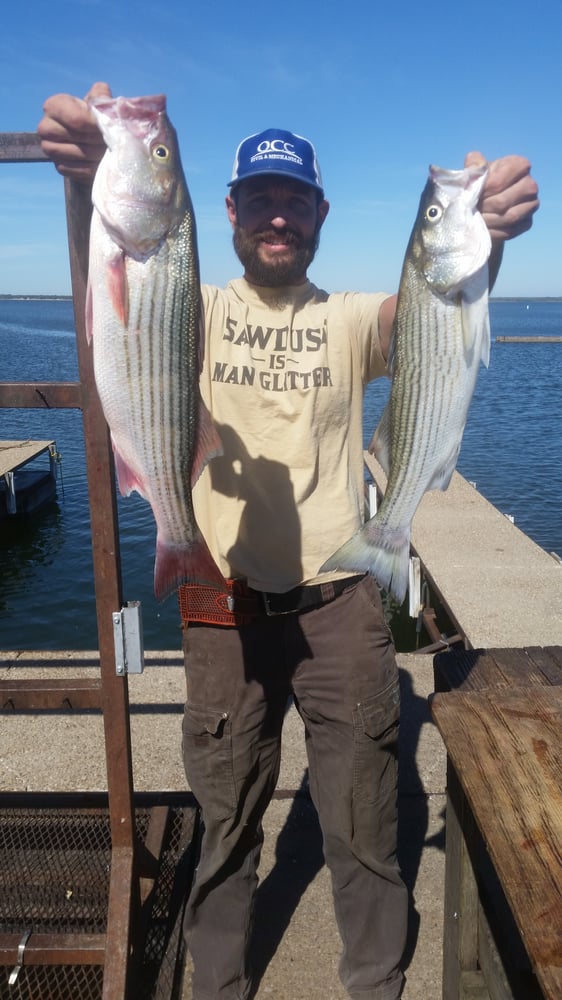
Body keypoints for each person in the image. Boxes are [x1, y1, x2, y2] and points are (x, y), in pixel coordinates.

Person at [38, 83, 539, 1000]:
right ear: (227, 210)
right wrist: (87, 184)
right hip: (217, 603)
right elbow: (118, 298)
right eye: (261, 198)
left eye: (295, 199)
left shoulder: (346, 316)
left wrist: (490, 238)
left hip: (343, 606)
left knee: (364, 829)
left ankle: (374, 985)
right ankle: (220, 986)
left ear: (320, 213)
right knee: (225, 825)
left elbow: (428, 315)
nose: (279, 215)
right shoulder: (193, 302)